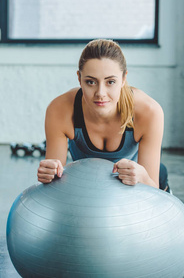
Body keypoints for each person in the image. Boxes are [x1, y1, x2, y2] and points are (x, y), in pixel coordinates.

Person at [37, 39, 169, 192]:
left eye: (110, 82)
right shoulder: (60, 109)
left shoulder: (149, 112)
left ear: (124, 79)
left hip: (136, 184)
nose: (100, 93)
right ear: (79, 79)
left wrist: (143, 177)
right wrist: (49, 173)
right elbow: (54, 185)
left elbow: (152, 192)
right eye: (91, 82)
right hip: (90, 183)